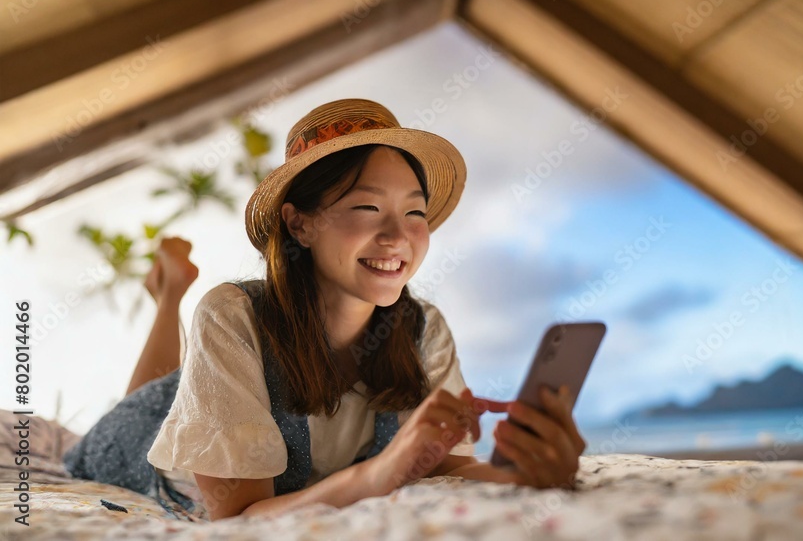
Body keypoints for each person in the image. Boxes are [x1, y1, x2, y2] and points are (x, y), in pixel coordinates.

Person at [63, 98, 587, 522]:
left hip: (218, 389)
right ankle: (172, 291)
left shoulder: (424, 330)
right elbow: (238, 517)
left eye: (414, 212)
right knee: (147, 403)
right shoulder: (231, 313)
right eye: (367, 207)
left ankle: (168, 290)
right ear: (299, 225)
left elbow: (444, 469)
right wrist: (379, 475)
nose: (398, 236)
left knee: (179, 383)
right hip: (146, 444)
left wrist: (527, 472)